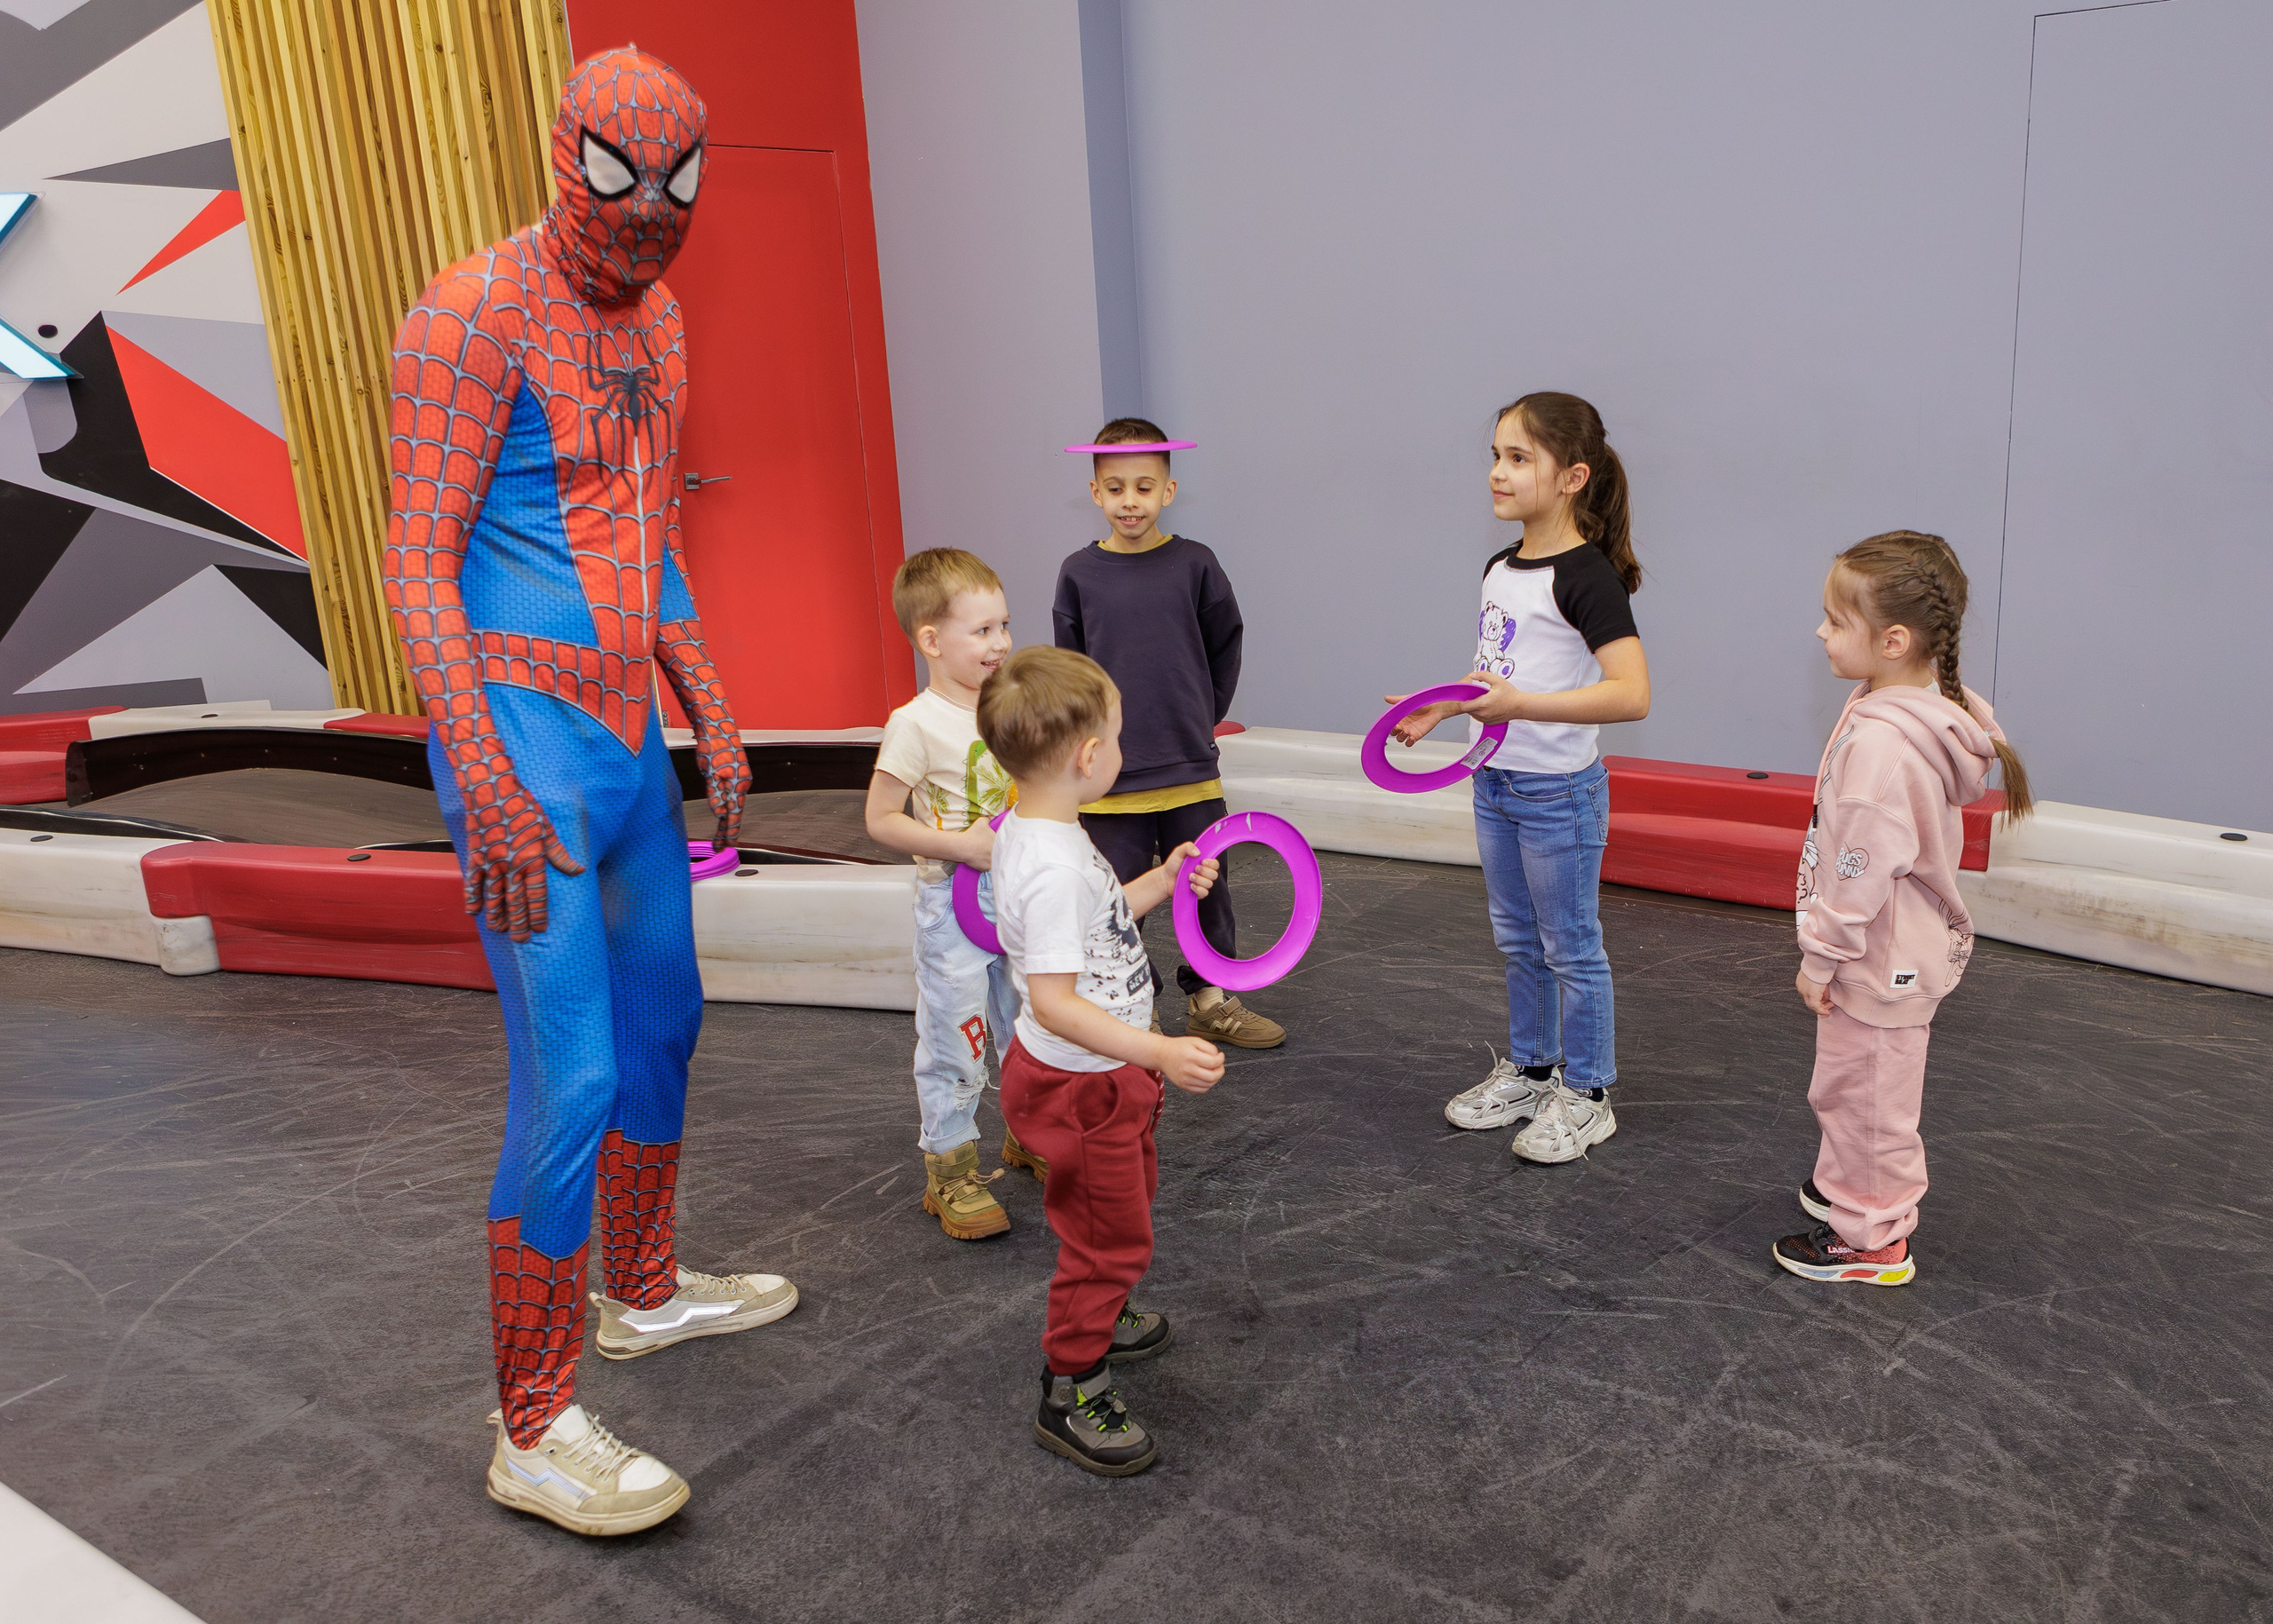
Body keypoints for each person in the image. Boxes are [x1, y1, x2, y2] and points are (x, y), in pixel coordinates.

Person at [383, 47, 795, 1537]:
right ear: (571, 158)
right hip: (523, 740)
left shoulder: (665, 321)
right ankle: (533, 1416)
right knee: (572, 1073)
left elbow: (642, 542)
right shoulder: (469, 310)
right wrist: (481, 768)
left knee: (665, 1024)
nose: (652, 214)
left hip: (623, 748)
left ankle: (644, 1288)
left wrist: (713, 703)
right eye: (625, 178)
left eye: (681, 182)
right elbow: (415, 558)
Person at [977, 646, 1225, 1475]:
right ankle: (1072, 1381)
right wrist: (1157, 1048)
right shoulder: (1050, 866)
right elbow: (1051, 1000)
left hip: (1108, 1079)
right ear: (1089, 758)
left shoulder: (1041, 826)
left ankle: (1102, 1306)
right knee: (1107, 1239)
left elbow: (1102, 919)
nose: (1120, 751)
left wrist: (1163, 877)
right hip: (1083, 1084)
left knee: (1121, 1209)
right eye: (1116, 738)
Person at [1394, 393, 1651, 1164]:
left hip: (1557, 795)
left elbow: (1631, 694)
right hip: (1496, 782)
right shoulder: (1501, 567)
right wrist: (1443, 706)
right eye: (1495, 456)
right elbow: (1496, 674)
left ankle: (1590, 1092)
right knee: (1517, 941)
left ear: (1572, 477)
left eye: (1517, 459)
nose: (1497, 473)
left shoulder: (1587, 577)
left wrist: (1521, 706)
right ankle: (1535, 1074)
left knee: (1571, 945)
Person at [1778, 531, 2032, 1286]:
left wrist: (1820, 956)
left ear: (1893, 639)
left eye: (1833, 619)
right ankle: (1849, 1188)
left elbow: (1858, 873)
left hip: (1877, 953)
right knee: (1847, 1084)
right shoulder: (1916, 702)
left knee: (1873, 1100)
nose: (1820, 632)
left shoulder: (1883, 750)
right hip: (1886, 947)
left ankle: (1875, 1238)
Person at [1052, 419, 1285, 1050]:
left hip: (1186, 764)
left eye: (1145, 487)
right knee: (1116, 895)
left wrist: (1198, 715)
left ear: (1169, 490)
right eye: (1117, 487)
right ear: (1095, 492)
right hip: (1110, 776)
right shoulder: (1079, 573)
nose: (1131, 500)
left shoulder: (1195, 564)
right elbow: (1070, 669)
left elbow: (1224, 646)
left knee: (1208, 885)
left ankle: (1210, 997)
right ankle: (1131, 1002)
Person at [862, 548, 1030, 1239]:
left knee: (1034, 1021)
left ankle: (1032, 1133)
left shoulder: (1014, 706)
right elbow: (880, 820)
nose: (1002, 643)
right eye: (983, 630)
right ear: (932, 640)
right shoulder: (915, 723)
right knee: (956, 1039)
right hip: (952, 910)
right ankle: (952, 1166)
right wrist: (962, 846)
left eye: (1004, 625)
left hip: (1019, 899)